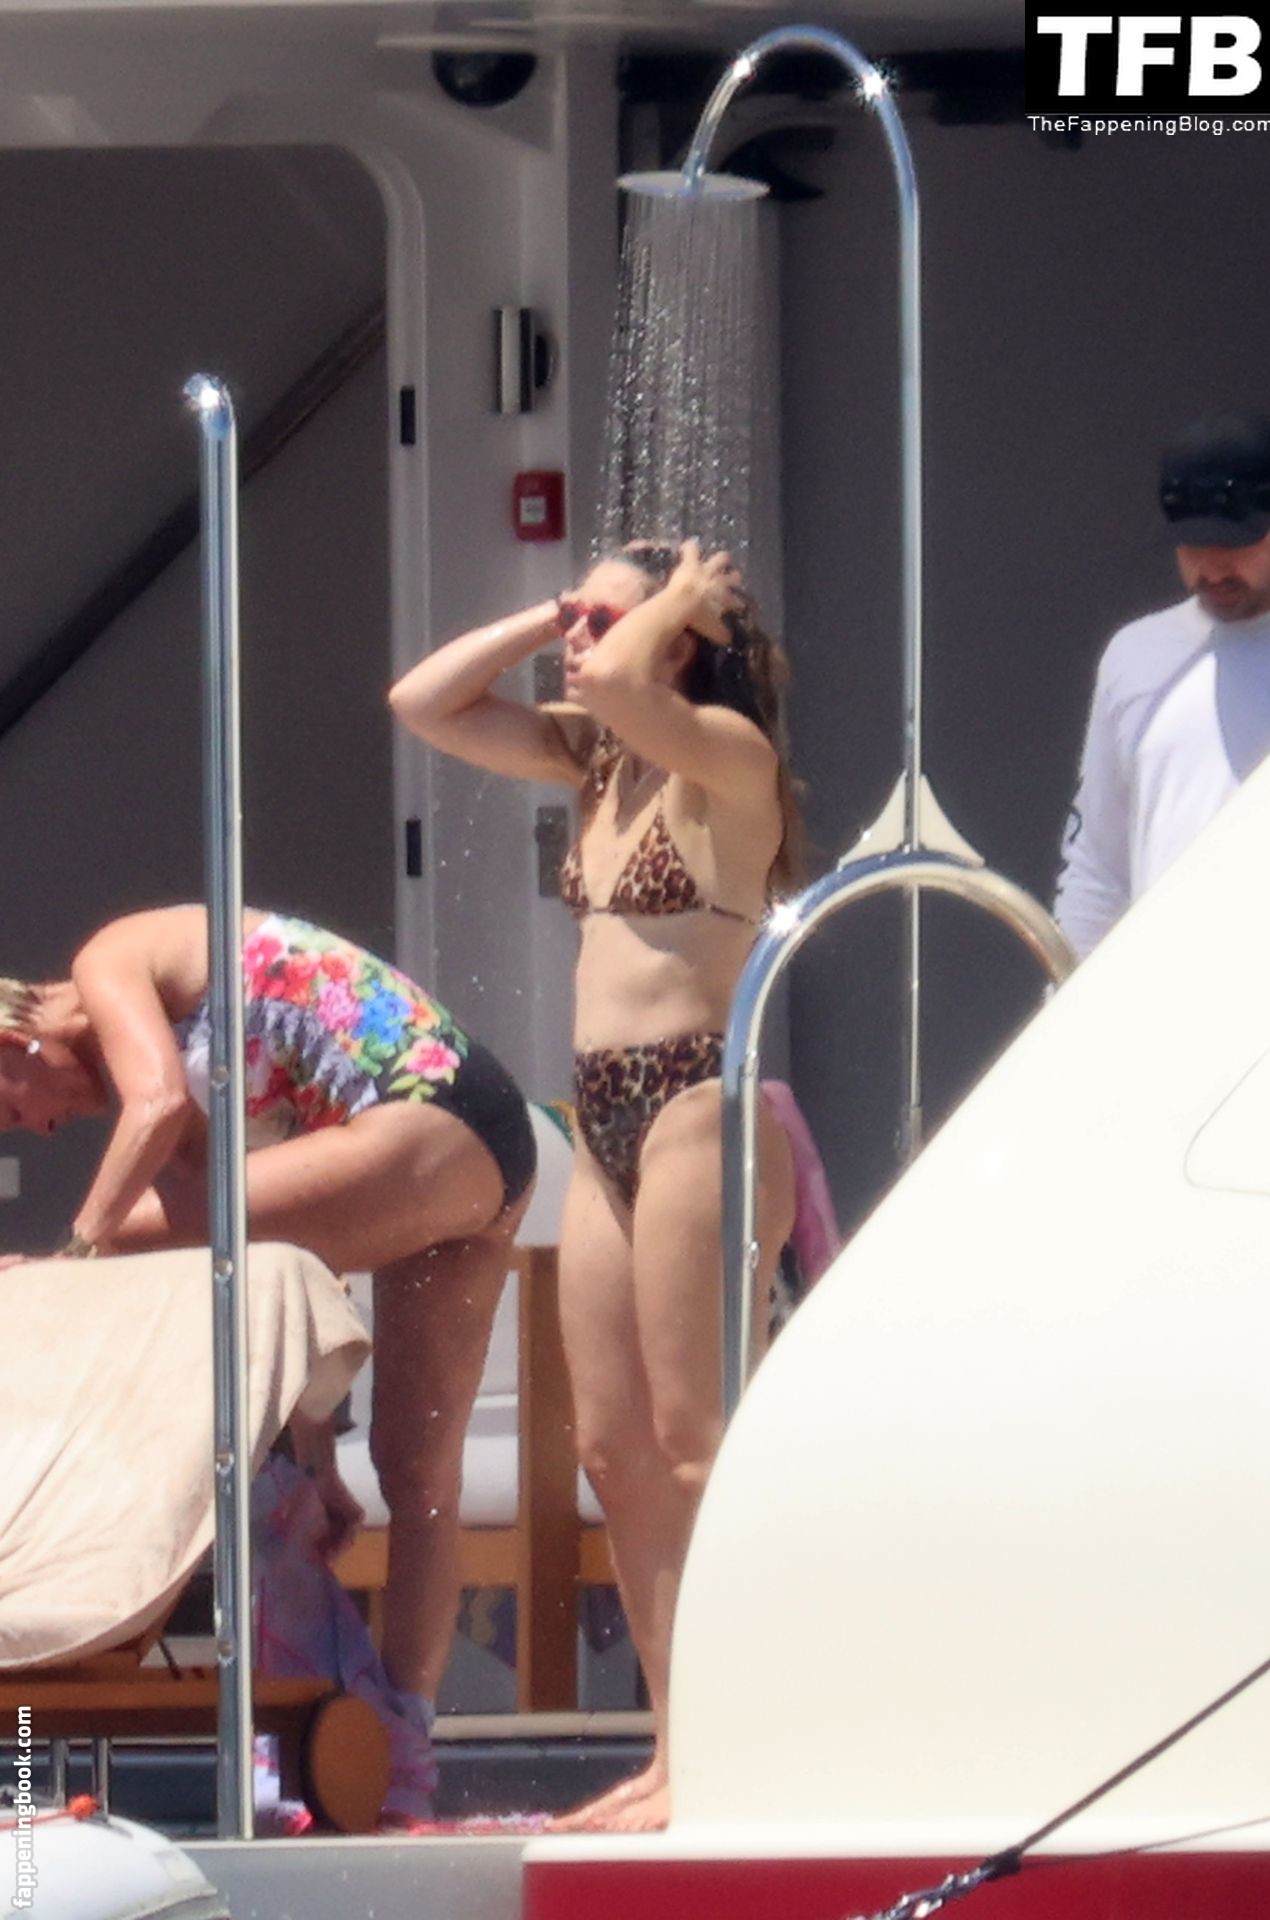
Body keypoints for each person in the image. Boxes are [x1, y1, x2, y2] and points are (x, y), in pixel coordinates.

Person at [389, 538, 800, 1831]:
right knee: (616, 1457)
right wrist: (555, 612)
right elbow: (422, 702)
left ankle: (762, 1731)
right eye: (574, 620)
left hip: (694, 1108)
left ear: (678, 641)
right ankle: (678, 1752)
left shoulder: (727, 755)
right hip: (601, 1116)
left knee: (697, 1446)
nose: (578, 641)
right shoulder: (600, 761)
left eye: (598, 619)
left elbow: (622, 680)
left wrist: (666, 601)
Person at [0, 904, 534, 1825]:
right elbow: (277, 1261)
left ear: (13, 1042)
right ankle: (401, 1768)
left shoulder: (105, 963)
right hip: (480, 1134)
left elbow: (160, 1104)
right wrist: (318, 1458)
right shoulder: (186, 1110)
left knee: (121, 1240)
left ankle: (293, 1726)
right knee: (418, 1473)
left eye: (8, 1108)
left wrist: (75, 1252)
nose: (34, 1129)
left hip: (419, 1111)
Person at [1057, 412, 1270, 957]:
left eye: (1236, 541)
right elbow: (1097, 868)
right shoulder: (1136, 657)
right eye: (1193, 544)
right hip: (1164, 996)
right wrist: (1068, 995)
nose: (1213, 568)